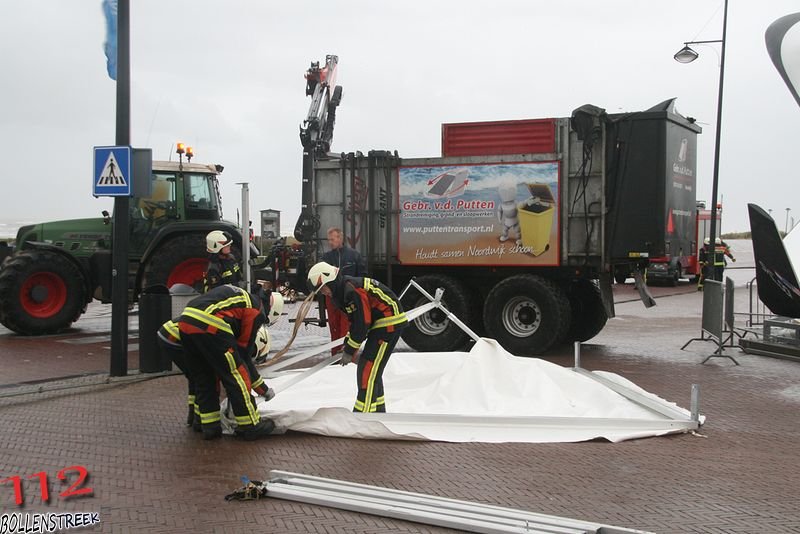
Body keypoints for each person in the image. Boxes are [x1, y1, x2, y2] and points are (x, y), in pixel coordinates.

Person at [157, 290, 283, 434]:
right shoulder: (256, 310)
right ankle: (249, 426)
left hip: (186, 320)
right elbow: (243, 354)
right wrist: (262, 389)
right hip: (209, 323)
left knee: (204, 376)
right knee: (237, 374)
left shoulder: (243, 299)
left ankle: (208, 426)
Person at [307, 261, 407, 413]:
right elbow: (354, 323)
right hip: (382, 322)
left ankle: (363, 416)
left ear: (329, 281)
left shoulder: (352, 290)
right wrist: (347, 345)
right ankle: (378, 411)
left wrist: (349, 351)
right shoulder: (344, 290)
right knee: (372, 370)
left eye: (323, 288)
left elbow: (362, 325)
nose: (323, 293)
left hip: (388, 323)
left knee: (367, 369)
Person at [321, 227, 367, 353]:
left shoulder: (354, 256)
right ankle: (334, 356)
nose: (330, 242)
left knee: (347, 326)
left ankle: (347, 356)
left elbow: (362, 276)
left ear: (340, 238)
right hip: (331, 297)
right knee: (334, 326)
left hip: (348, 297)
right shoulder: (326, 258)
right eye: (328, 240)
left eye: (332, 239)